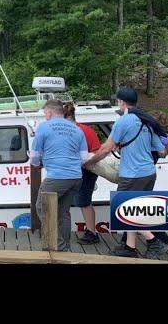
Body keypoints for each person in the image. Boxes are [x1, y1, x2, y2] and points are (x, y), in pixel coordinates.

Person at [84, 86, 168, 258]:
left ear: (121, 102)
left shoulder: (123, 121)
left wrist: (90, 161)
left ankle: (154, 241)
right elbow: (161, 151)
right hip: (148, 173)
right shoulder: (146, 120)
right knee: (135, 210)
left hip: (132, 175)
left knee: (123, 211)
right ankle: (130, 247)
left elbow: (106, 148)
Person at [30, 99, 86, 252]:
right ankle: (65, 246)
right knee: (63, 212)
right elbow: (84, 158)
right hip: (76, 178)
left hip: (56, 177)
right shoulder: (77, 129)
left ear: (49, 112)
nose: (45, 116)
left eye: (45, 113)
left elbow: (34, 156)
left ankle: (58, 247)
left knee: (42, 207)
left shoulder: (44, 127)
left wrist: (38, 163)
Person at [63, 103, 102, 245]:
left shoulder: (82, 130)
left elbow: (96, 152)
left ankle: (91, 232)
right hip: (77, 169)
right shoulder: (85, 130)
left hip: (86, 170)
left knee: (83, 200)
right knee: (80, 200)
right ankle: (89, 231)